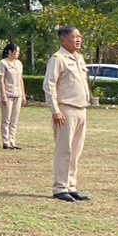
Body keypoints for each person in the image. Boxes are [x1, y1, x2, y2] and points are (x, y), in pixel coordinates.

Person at [45, 26, 92, 203]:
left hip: (81, 109)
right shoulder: (58, 59)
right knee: (64, 150)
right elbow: (49, 85)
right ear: (63, 40)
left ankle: (71, 186)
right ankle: (60, 188)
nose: (78, 39)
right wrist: (55, 110)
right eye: (74, 37)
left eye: (80, 36)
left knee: (75, 152)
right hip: (66, 110)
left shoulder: (79, 58)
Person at [0, 43, 27, 150]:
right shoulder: (3, 63)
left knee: (14, 120)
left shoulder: (19, 64)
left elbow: (20, 79)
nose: (18, 54)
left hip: (18, 94)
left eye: (18, 52)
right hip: (8, 94)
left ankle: (12, 140)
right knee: (6, 119)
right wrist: (3, 95)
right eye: (16, 52)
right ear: (10, 52)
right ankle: (6, 141)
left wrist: (23, 95)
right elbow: (1, 80)